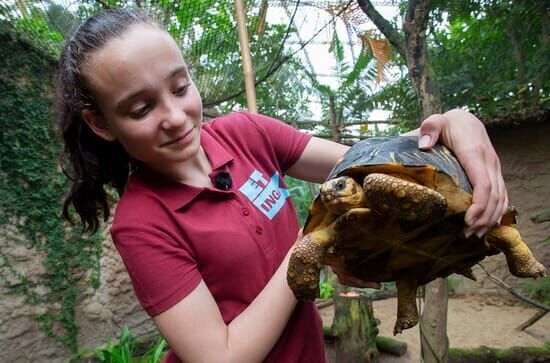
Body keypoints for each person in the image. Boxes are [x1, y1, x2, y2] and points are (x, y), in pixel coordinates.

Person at [56, 8, 508, 363]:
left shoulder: (246, 133)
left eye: (179, 87)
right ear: (101, 123)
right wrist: (314, 244)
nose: (175, 117)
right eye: (140, 109)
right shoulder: (142, 224)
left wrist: (455, 124)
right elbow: (220, 357)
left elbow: (367, 163)